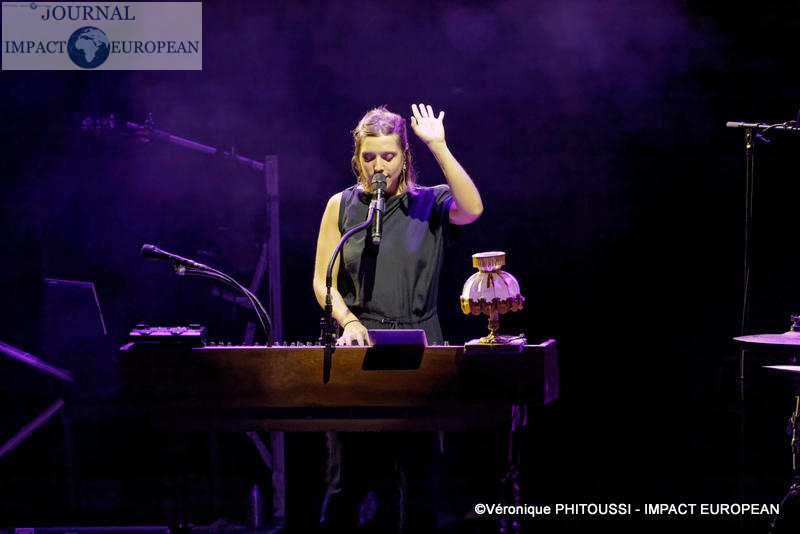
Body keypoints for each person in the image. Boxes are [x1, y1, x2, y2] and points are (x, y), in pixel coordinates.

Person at [312, 103, 483, 533]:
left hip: (419, 354)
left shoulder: (430, 202)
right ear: (357, 159)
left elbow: (472, 209)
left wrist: (439, 146)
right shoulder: (341, 206)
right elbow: (322, 280)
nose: (378, 166)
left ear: (404, 157)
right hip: (358, 352)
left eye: (388, 156)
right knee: (344, 485)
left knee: (419, 485)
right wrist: (349, 321)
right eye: (369, 157)